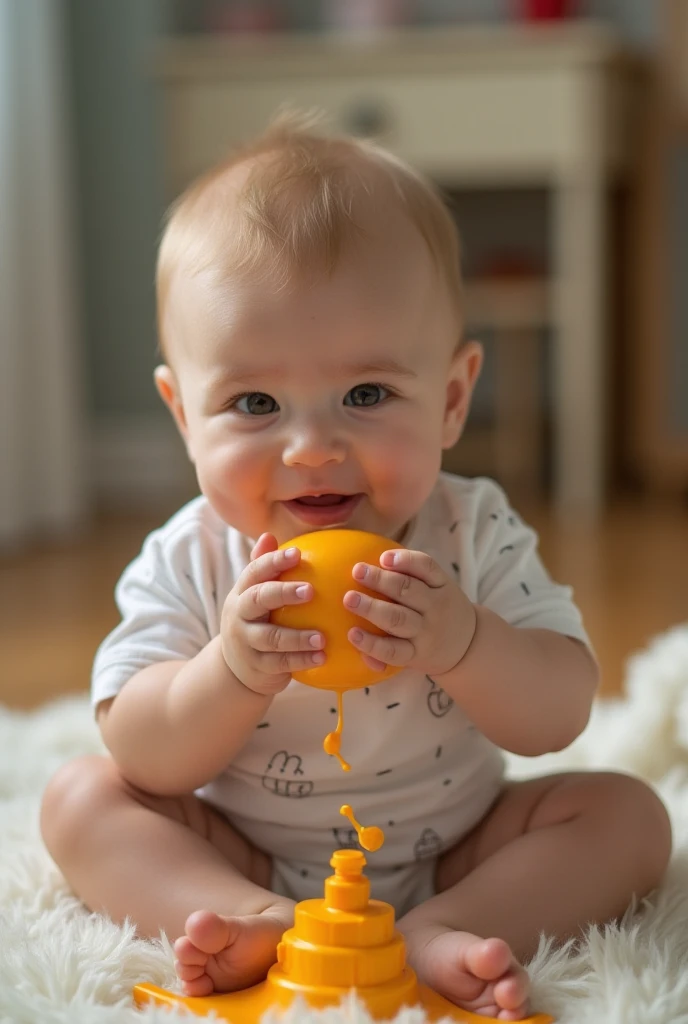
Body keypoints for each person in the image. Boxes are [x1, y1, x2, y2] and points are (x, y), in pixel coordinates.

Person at [40, 115, 671, 1021]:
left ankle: (444, 929)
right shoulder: (192, 553)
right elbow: (142, 751)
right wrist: (230, 670)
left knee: (629, 818)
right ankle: (257, 920)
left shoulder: (472, 528)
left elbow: (559, 713)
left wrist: (463, 641)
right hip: (240, 848)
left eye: (366, 395)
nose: (310, 449)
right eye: (254, 402)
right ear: (184, 418)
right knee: (79, 799)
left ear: (452, 399)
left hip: (458, 846)